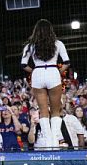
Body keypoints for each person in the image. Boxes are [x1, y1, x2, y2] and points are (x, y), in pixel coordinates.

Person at [21, 19, 70, 148]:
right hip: (53, 72)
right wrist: (59, 71)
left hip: (38, 73)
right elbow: (67, 62)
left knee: (43, 111)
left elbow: (23, 64)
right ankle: (55, 141)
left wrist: (34, 71)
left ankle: (48, 142)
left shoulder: (29, 46)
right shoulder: (58, 43)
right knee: (56, 110)